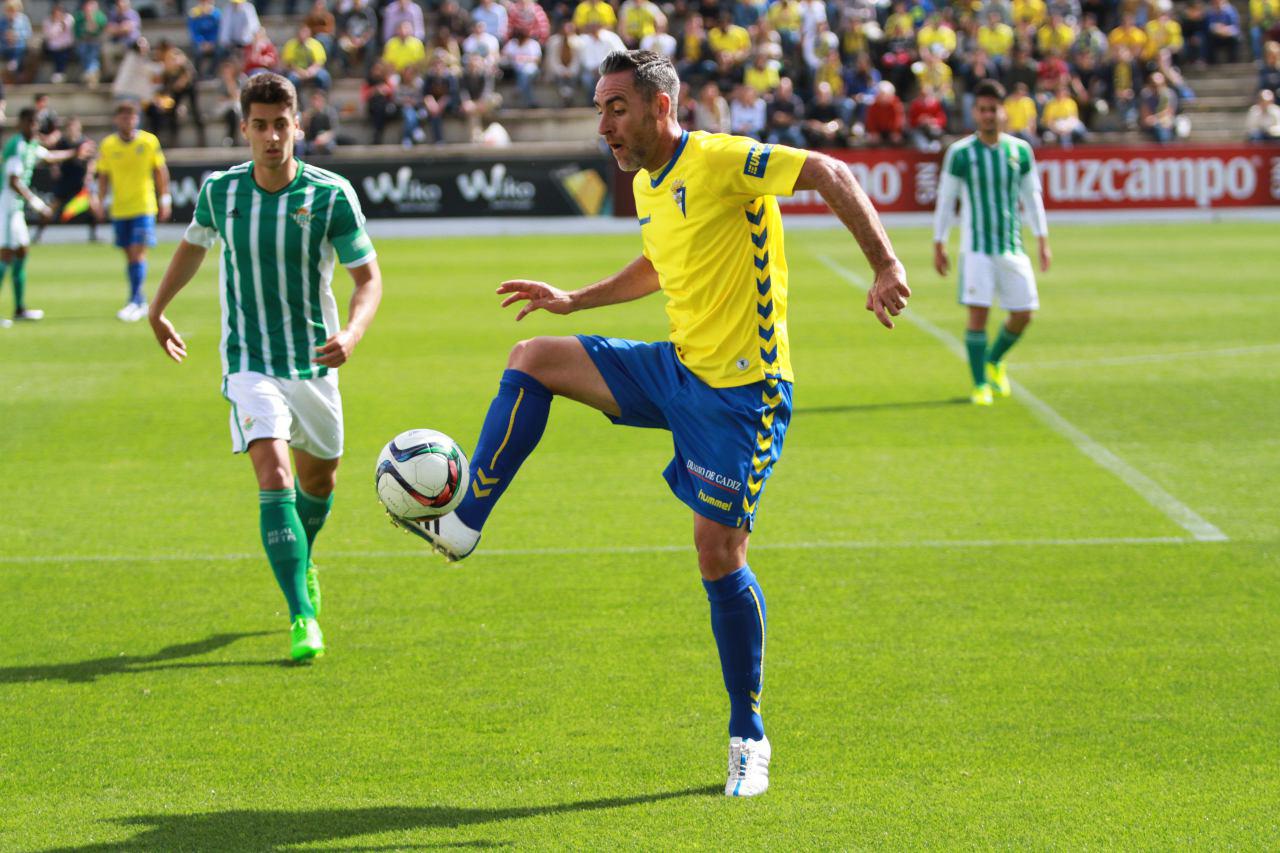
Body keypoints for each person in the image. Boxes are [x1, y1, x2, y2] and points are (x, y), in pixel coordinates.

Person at [390, 49, 909, 798]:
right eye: (601, 108)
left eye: (616, 108)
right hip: (675, 368)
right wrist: (576, 300)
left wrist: (885, 263)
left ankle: (748, 734)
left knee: (717, 551)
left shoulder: (724, 160)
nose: (604, 123)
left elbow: (831, 171)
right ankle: (464, 521)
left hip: (743, 392)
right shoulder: (646, 183)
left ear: (661, 109)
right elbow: (661, 264)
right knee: (534, 354)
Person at [147, 73, 383, 661]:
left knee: (319, 482)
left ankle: (304, 557)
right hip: (248, 362)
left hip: (313, 364)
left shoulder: (330, 194)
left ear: (297, 125)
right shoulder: (220, 193)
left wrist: (351, 333)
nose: (272, 137)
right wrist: (158, 308)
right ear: (244, 129)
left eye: (282, 124)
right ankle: (302, 616)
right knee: (274, 476)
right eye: (260, 126)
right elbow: (193, 247)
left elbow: (368, 279)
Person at [932, 79, 1050, 406]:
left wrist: (1042, 239)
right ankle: (980, 384)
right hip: (976, 249)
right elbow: (947, 200)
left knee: (1024, 313)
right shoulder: (960, 153)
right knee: (978, 316)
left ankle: (994, 359)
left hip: (1012, 245)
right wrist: (939, 242)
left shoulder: (1019, 151)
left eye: (993, 109)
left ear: (1003, 112)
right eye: (982, 109)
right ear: (974, 113)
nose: (987, 115)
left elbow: (1032, 196)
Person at [0, 107, 92, 327]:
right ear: (21, 124)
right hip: (5, 207)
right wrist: (38, 205)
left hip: (16, 209)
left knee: (22, 251)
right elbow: (13, 181)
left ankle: (20, 308)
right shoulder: (17, 146)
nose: (34, 126)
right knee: (5, 256)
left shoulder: (31, 145)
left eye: (36, 122)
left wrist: (73, 153)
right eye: (30, 122)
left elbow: (49, 157)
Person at [92, 102, 170, 322]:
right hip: (120, 208)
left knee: (138, 253)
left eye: (132, 116)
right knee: (129, 256)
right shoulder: (108, 145)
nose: (128, 120)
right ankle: (140, 299)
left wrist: (165, 199)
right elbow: (104, 176)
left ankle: (134, 300)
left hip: (144, 206)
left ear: (137, 119)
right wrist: (99, 200)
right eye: (124, 117)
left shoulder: (148, 141)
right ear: (117, 119)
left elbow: (160, 170)